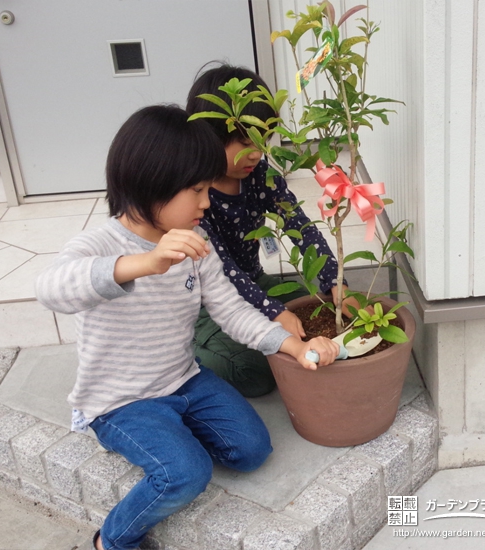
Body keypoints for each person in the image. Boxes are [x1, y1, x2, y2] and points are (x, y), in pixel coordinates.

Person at [35, 105, 339, 550]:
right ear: (152, 183)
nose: (206, 201)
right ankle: (113, 539)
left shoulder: (199, 245)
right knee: (185, 474)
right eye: (196, 189)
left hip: (185, 379)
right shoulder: (101, 243)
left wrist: (291, 346)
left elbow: (232, 311)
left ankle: (171, 431)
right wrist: (144, 264)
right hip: (120, 401)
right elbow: (50, 289)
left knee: (252, 450)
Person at [186, 63, 358, 398]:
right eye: (243, 141)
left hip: (251, 283)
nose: (256, 152)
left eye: (263, 139)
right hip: (204, 305)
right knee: (253, 372)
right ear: (209, 137)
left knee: (316, 311)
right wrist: (273, 312)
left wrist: (336, 283)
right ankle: (188, 351)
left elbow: (300, 227)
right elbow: (223, 270)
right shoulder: (194, 194)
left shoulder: (260, 175)